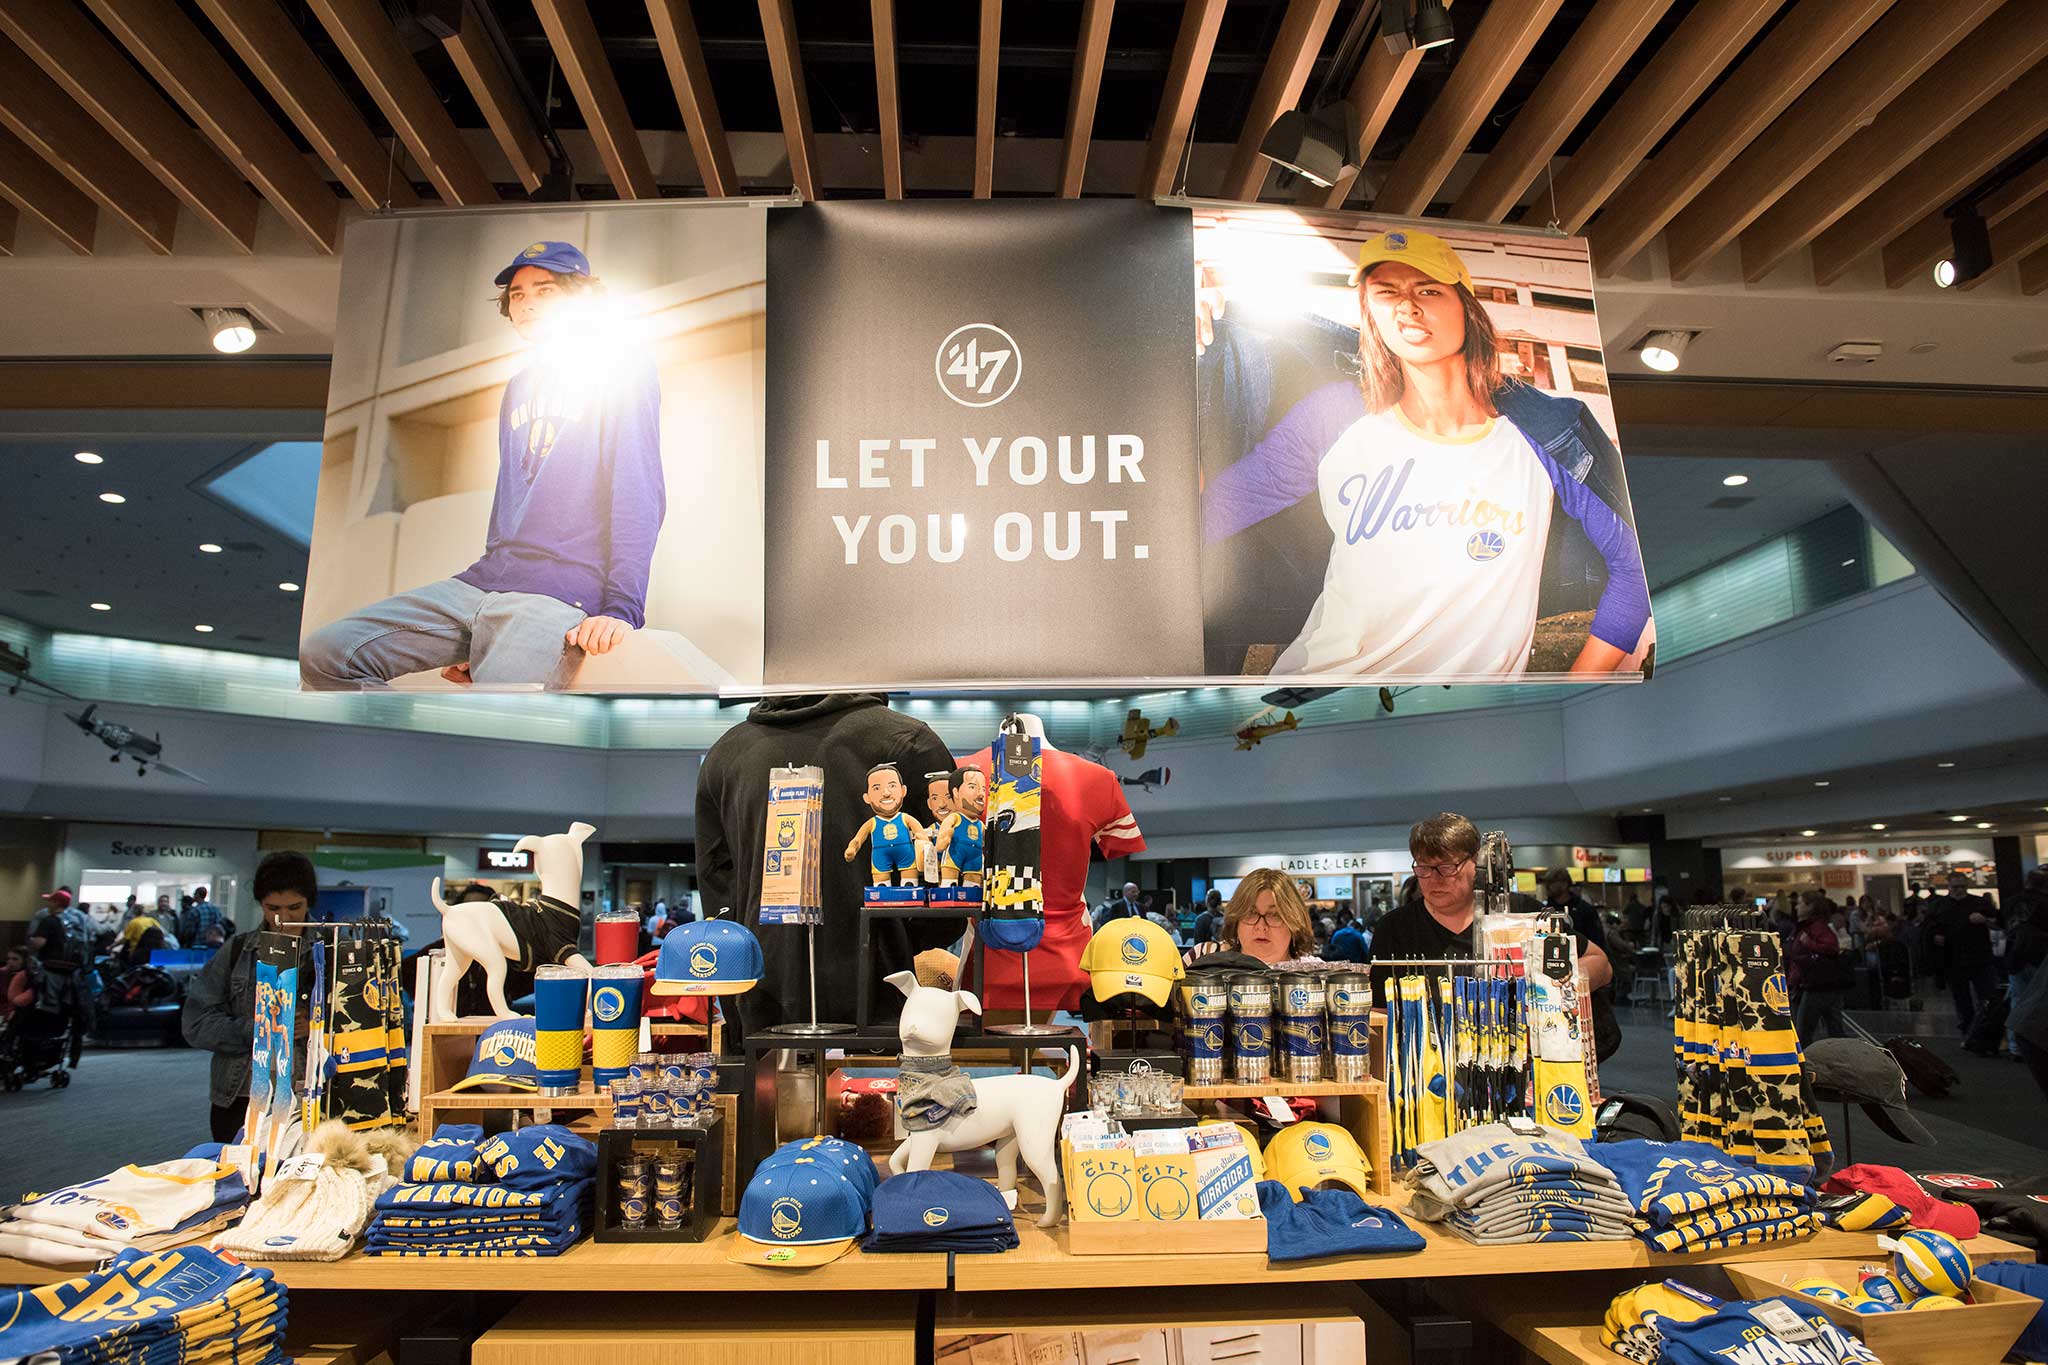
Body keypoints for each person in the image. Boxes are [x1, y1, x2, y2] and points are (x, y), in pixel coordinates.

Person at [1200, 229, 1651, 679]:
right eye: (1386, 292)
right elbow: (1202, 517)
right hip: (1314, 700)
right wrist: (1178, 344)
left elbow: (1635, 573)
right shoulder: (1334, 415)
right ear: (1369, 312)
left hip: (1462, 723)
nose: (1407, 306)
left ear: (1467, 309)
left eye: (1428, 289)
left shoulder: (1541, 435)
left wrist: (1566, 693)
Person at [301, 241, 666, 690]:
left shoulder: (623, 366)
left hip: (557, 594)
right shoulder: (519, 387)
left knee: (495, 717)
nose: (527, 303)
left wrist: (621, 608)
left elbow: (637, 489)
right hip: (482, 581)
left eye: (545, 290)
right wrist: (485, 639)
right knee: (327, 654)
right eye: (517, 294)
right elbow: (511, 495)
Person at [1370, 813, 1611, 1008]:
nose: (1434, 878)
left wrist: (1556, 988)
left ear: (1476, 863)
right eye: (1423, 868)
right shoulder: (1394, 928)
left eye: (1446, 867)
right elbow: (1379, 1011)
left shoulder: (1519, 913)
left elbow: (1600, 963)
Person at [183, 852, 317, 1144]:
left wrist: (315, 1028)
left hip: (310, 1096)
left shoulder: (332, 951)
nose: (284, 917)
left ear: (310, 902)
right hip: (239, 1096)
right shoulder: (237, 950)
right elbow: (196, 1023)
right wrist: (257, 1029)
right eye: (272, 907)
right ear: (260, 904)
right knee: (235, 1181)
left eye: (295, 907)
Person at [1185, 868, 1321, 967]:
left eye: (1274, 915)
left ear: (1294, 923)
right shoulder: (1203, 957)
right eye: (1250, 913)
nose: (1261, 927)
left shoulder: (1315, 974)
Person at [1931, 871, 2001, 1039]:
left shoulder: (1979, 903)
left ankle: (1986, 1032)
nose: (1959, 890)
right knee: (1962, 999)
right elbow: (1930, 928)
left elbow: (1998, 924)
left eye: (1962, 887)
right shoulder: (1940, 906)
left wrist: (1984, 920)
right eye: (1956, 887)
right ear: (1949, 887)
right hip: (1954, 959)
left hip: (1979, 957)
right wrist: (1935, 937)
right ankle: (1969, 1031)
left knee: (1987, 997)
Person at [1788, 891, 1850, 1043]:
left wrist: (1809, 943)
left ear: (1810, 907)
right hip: (1814, 985)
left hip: (1815, 986)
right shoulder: (1812, 927)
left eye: (1801, 903)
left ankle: (1806, 1064)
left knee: (1803, 1034)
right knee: (1833, 1029)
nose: (1796, 907)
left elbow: (1831, 948)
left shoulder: (1815, 928)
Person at [178, 886, 224, 951]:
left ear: (198, 895)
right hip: (213, 943)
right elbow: (219, 925)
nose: (193, 896)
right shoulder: (215, 909)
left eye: (194, 894)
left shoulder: (195, 911)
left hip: (198, 944)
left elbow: (190, 931)